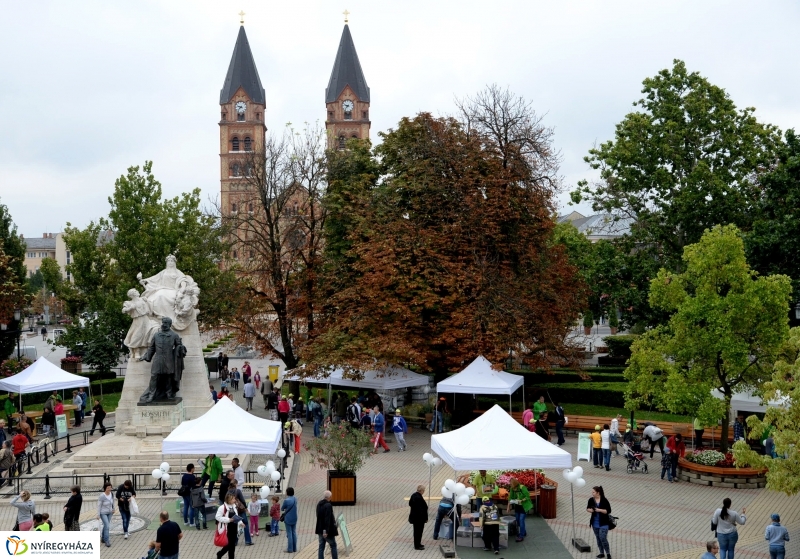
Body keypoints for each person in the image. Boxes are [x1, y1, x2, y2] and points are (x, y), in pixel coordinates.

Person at [587, 485, 612, 559]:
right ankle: (601, 552)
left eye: (593, 492)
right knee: (598, 538)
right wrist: (590, 510)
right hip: (595, 523)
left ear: (598, 493)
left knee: (603, 537)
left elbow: (608, 511)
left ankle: (608, 553)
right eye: (592, 492)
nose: (592, 493)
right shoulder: (591, 500)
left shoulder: (604, 500)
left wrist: (599, 510)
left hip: (604, 523)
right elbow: (587, 508)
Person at [226, 479, 253, 546]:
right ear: (235, 484)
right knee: (245, 524)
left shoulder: (228, 492)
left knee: (235, 526)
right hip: (240, 510)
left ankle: (235, 541)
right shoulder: (238, 491)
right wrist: (246, 508)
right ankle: (248, 541)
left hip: (233, 511)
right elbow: (243, 500)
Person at [215, 493, 242, 559]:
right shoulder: (222, 507)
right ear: (229, 500)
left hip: (234, 528)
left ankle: (229, 557)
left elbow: (236, 516)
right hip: (227, 529)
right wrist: (228, 520)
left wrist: (240, 522)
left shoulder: (234, 506)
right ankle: (220, 554)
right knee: (229, 545)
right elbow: (217, 517)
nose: (235, 500)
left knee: (232, 546)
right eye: (233, 499)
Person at [506, 477, 532, 542]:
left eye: (511, 484)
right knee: (517, 520)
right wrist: (508, 507)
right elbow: (510, 498)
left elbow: (527, 496)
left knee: (521, 520)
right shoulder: (512, 489)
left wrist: (521, 500)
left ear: (515, 484)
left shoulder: (522, 487)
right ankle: (524, 532)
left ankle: (521, 536)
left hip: (524, 506)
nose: (511, 486)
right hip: (517, 506)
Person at [316, 490, 339, 559]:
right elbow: (327, 519)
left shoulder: (319, 504)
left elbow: (318, 516)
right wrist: (326, 530)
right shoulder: (328, 506)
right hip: (327, 530)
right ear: (330, 497)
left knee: (321, 546)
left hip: (319, 528)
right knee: (333, 545)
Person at [408, 484, 428, 550]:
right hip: (419, 518)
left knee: (417, 531)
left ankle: (418, 543)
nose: (424, 491)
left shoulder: (413, 495)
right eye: (424, 490)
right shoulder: (419, 498)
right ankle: (417, 545)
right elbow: (422, 509)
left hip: (414, 517)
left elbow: (410, 503)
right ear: (421, 490)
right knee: (418, 532)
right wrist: (425, 518)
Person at [97, 482, 115, 547]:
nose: (109, 489)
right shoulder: (102, 496)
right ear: (105, 488)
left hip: (110, 512)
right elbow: (99, 506)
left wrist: (114, 509)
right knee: (107, 525)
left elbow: (113, 502)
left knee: (106, 525)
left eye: (110, 487)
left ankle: (103, 538)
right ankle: (107, 540)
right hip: (103, 513)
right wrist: (98, 514)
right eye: (108, 488)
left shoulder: (112, 494)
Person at [282, 487, 298, 553]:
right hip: (295, 517)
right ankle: (295, 548)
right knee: (294, 532)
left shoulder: (286, 500)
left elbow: (282, 508)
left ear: (287, 492)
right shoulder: (295, 498)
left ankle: (290, 549)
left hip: (288, 518)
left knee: (289, 533)